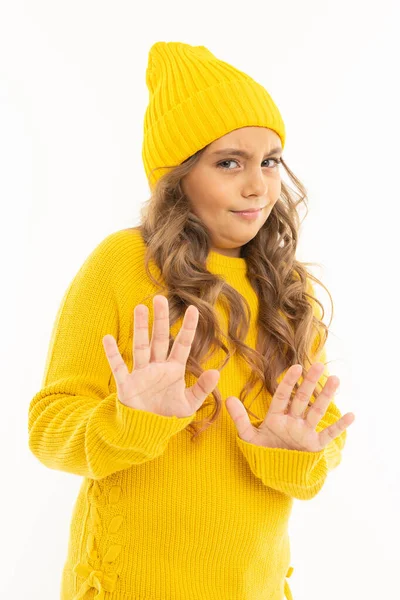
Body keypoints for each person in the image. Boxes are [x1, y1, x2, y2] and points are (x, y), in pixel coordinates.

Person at [28, 41, 356, 600]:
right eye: (229, 162)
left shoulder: (288, 290)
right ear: (178, 177)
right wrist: (130, 419)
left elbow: (317, 456)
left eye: (269, 161)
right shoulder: (123, 264)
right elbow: (48, 429)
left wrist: (295, 450)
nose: (258, 185)